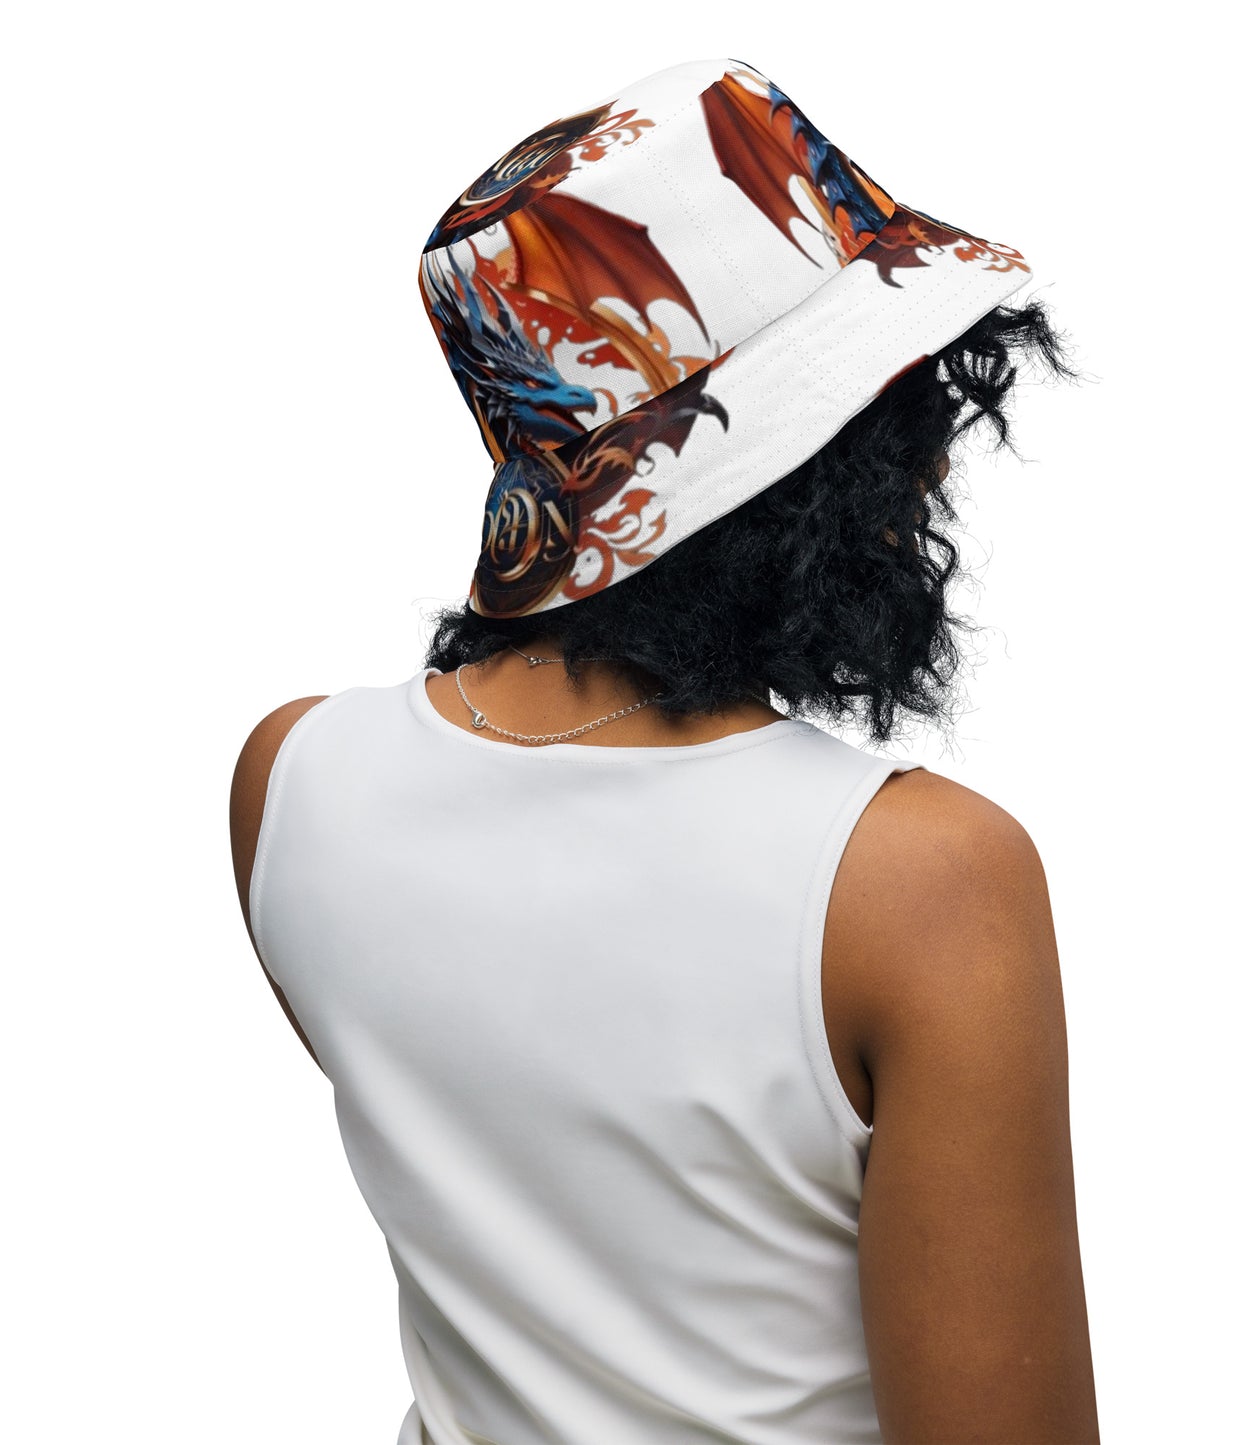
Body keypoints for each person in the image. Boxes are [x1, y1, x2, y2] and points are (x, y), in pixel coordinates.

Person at [229, 56, 1099, 1445]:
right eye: (899, 415)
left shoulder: (292, 780)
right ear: (805, 457)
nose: (932, 467)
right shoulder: (918, 877)